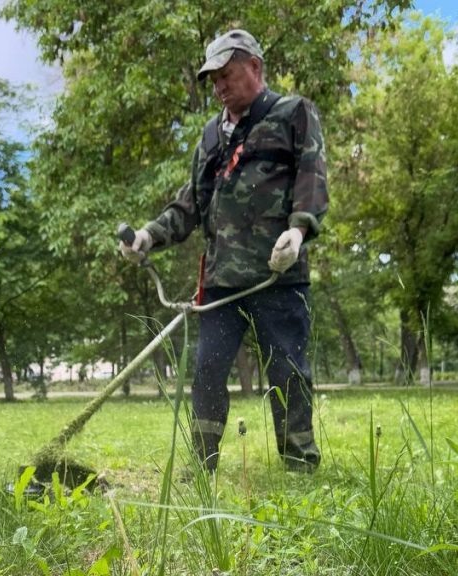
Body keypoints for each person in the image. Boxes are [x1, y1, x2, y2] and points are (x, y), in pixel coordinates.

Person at [120, 29, 328, 473]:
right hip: (220, 282)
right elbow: (189, 204)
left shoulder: (294, 113)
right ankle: (201, 467)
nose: (218, 87)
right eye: (212, 79)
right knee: (207, 371)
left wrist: (299, 229)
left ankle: (301, 465)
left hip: (278, 273)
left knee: (288, 372)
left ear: (254, 67)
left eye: (226, 76)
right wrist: (147, 236)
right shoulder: (212, 135)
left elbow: (313, 176)